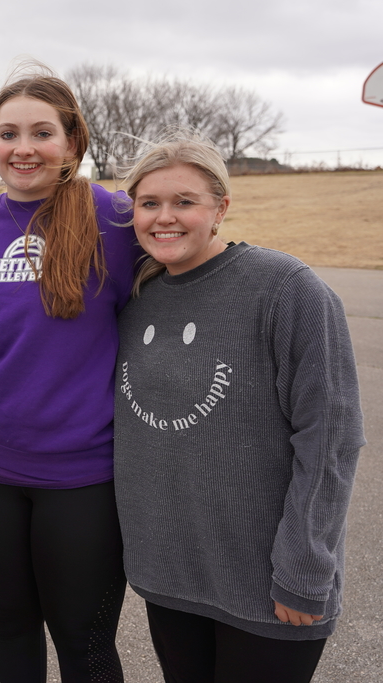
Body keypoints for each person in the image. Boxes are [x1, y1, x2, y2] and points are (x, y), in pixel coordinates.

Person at [114, 131, 364, 683]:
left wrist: (304, 566)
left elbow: (331, 437)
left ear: (221, 208)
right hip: (171, 574)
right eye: (149, 203)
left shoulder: (285, 289)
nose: (164, 217)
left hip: (265, 584)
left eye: (185, 201)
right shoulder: (137, 301)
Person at [0, 66, 139, 682]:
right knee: (12, 626)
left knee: (83, 639)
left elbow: (191, 264)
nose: (23, 147)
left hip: (83, 478)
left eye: (41, 132)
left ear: (71, 142)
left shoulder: (116, 219)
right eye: (8, 133)